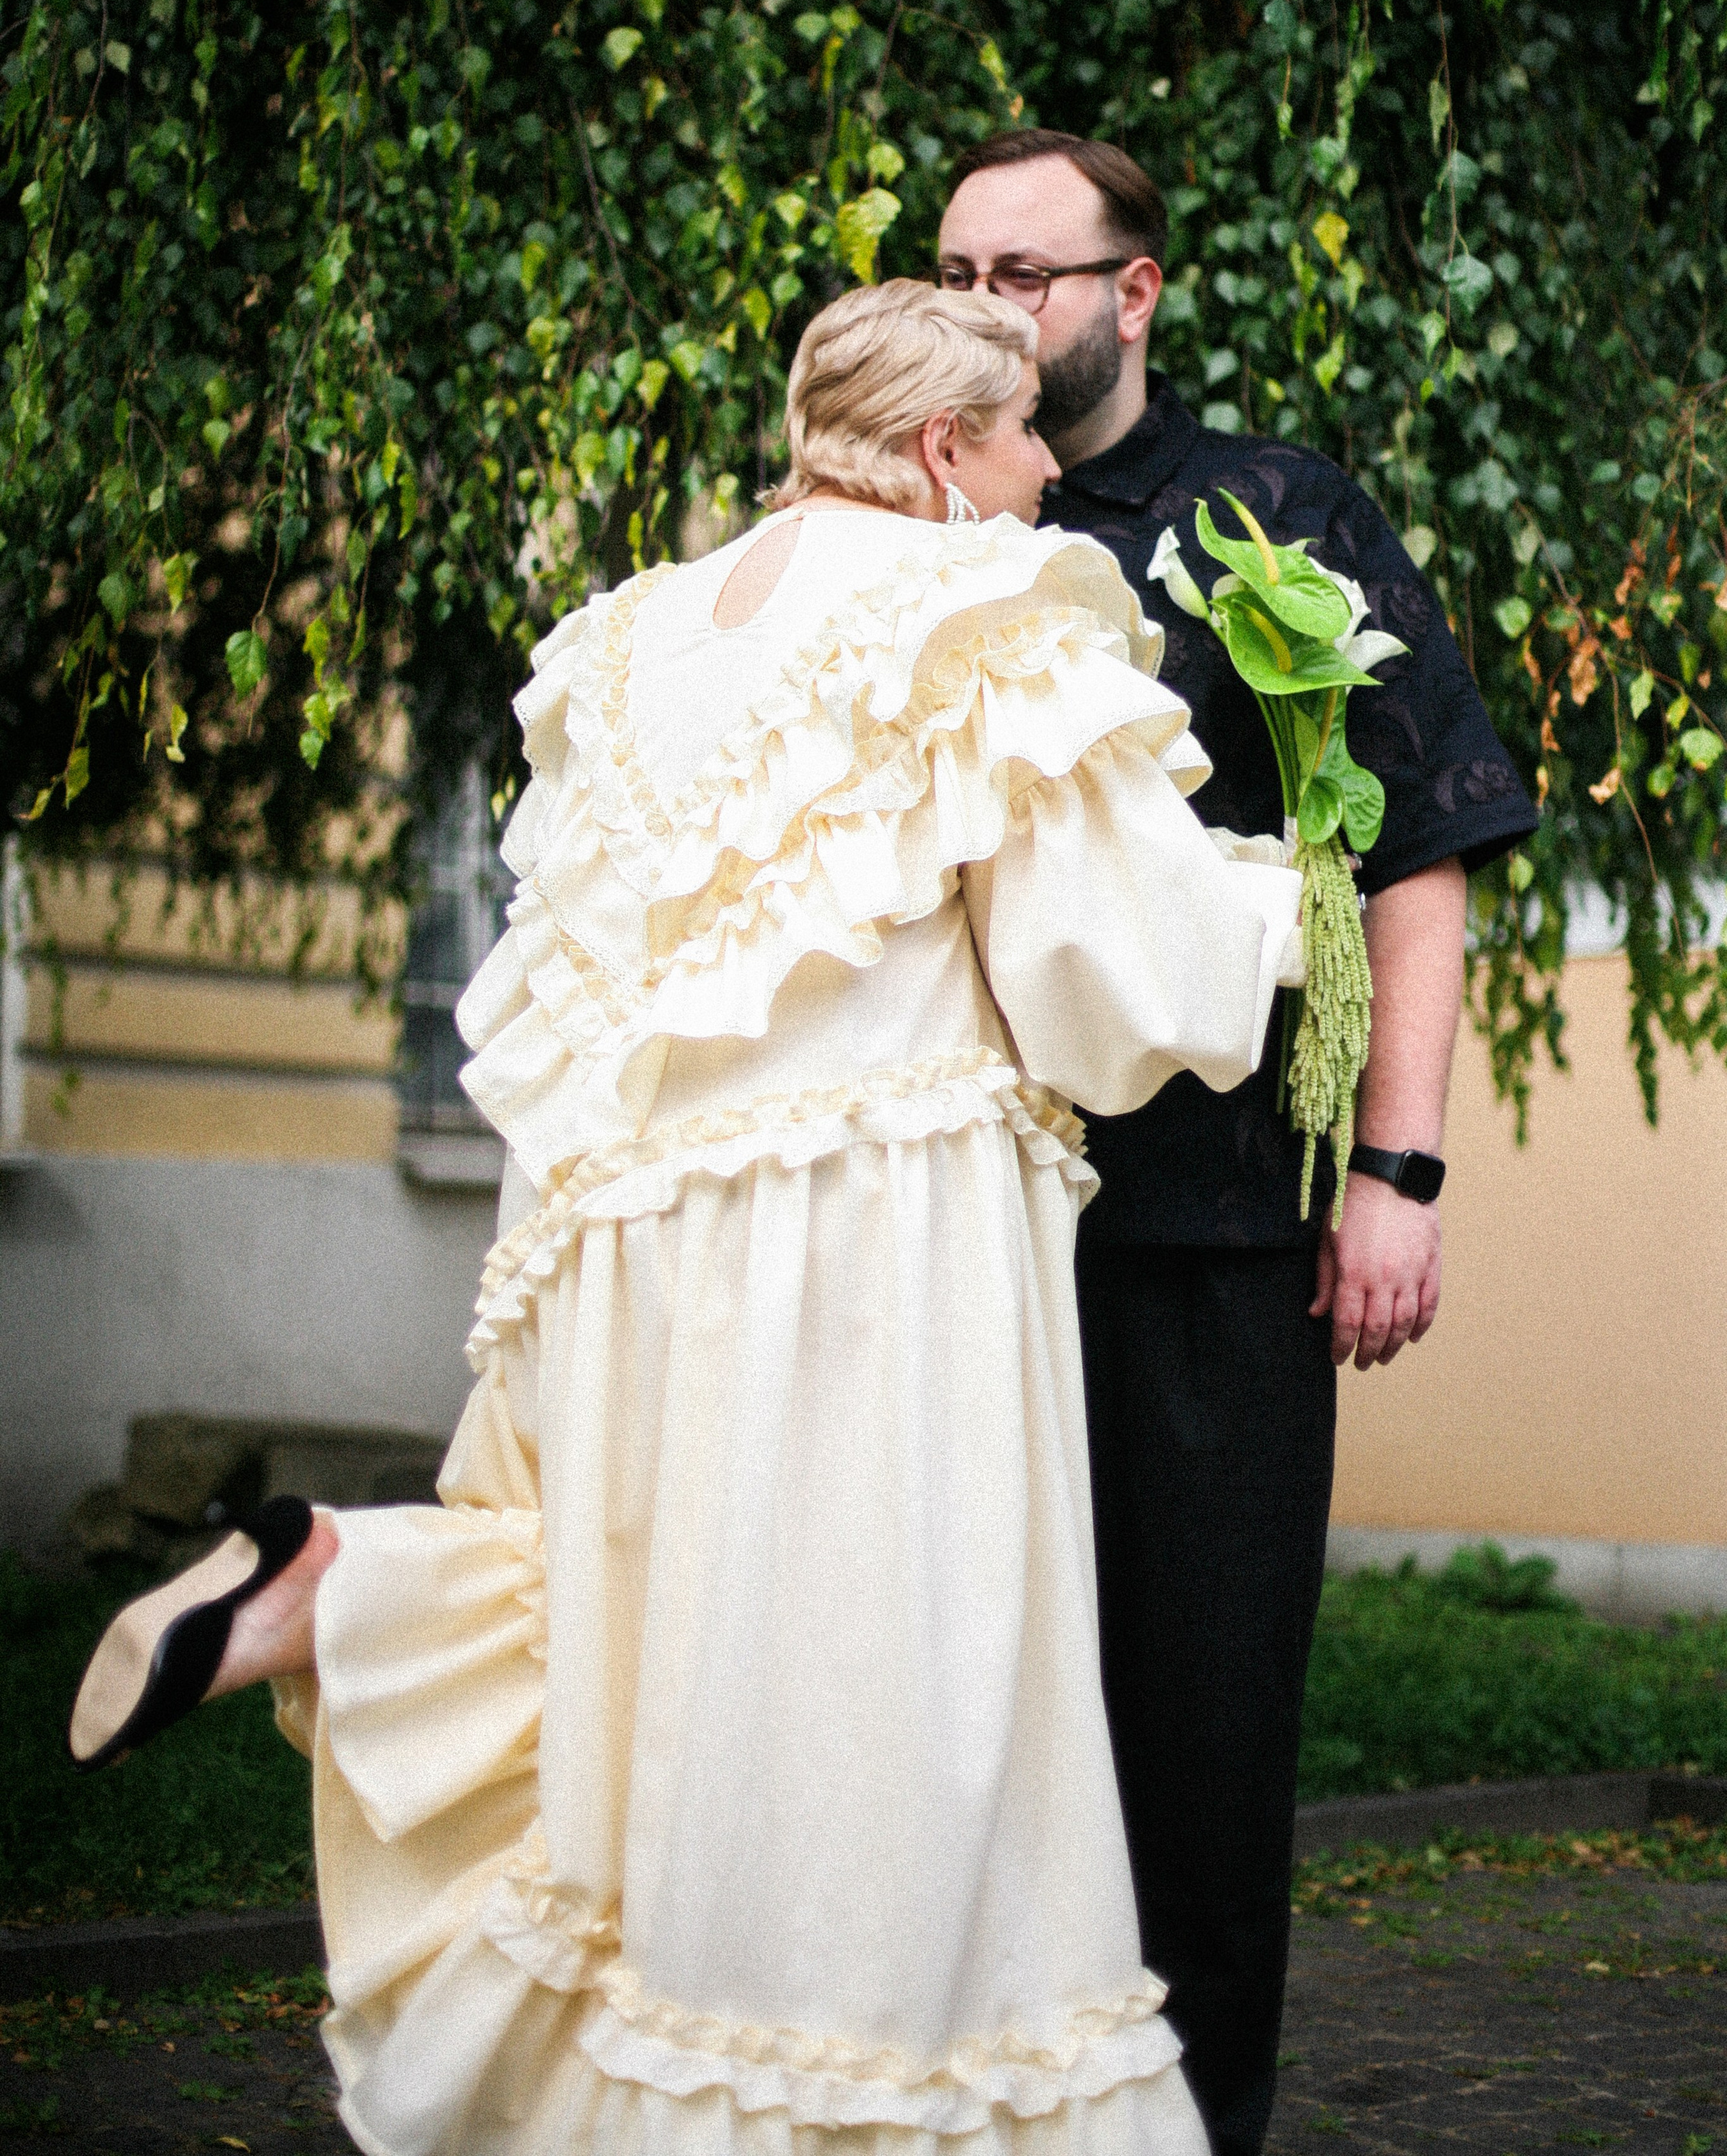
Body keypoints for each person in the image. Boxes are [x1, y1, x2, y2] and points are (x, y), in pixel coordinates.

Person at [69, 279, 1311, 2156]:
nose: (1057, 468)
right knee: (886, 1708)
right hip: (880, 1247)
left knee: (640, 1657)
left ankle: (349, 1584)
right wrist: (1295, 897)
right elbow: (1109, 984)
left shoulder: (635, 642)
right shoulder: (982, 613)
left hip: (629, 1253)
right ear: (937, 452)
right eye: (1027, 435)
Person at [936, 132, 1541, 2156]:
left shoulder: (1274, 514)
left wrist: (1401, 1171)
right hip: (944, 1226)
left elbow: (1422, 862)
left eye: (1034, 271)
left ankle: (1191, 2130)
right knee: (952, 1731)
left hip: (1214, 1237)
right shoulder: (908, 535)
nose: (995, 307)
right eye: (960, 272)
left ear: (1139, 289)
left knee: (1195, 1742)